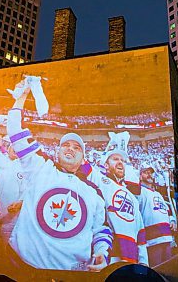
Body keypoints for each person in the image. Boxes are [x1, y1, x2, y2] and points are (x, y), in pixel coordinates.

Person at [6, 80, 113, 272]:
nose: (70, 148)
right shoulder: (41, 166)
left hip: (70, 274)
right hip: (20, 266)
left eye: (76, 147)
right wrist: (22, 96)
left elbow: (101, 229)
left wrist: (102, 253)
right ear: (57, 152)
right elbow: (15, 131)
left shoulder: (94, 191)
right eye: (66, 145)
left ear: (83, 160)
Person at [84, 149, 148, 265]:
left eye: (122, 160)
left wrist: (144, 262)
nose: (120, 162)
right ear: (106, 165)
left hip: (132, 261)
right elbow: (82, 164)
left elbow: (140, 232)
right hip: (107, 258)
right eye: (115, 159)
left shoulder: (133, 198)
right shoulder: (100, 180)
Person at [138, 166, 177, 267]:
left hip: (166, 236)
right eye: (146, 172)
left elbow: (166, 211)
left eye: (150, 172)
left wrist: (172, 220)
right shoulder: (140, 192)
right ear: (140, 176)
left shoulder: (158, 194)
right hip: (152, 239)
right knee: (157, 270)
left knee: (169, 269)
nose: (149, 174)